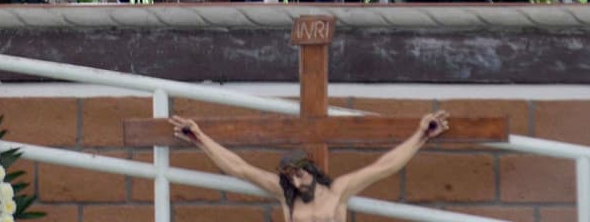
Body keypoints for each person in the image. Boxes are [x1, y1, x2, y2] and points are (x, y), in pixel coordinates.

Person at [170, 110, 450, 221]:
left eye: (299, 173)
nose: (296, 181)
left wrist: (421, 135)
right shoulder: (286, 195)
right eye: (290, 178)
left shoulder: (338, 190)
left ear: (311, 170)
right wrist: (200, 138)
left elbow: (384, 167)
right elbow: (238, 167)